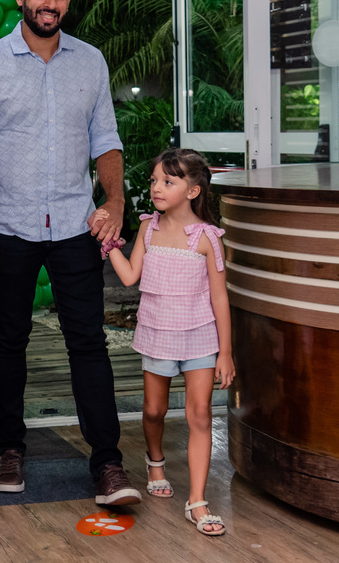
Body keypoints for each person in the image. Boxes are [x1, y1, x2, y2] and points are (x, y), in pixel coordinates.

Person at [0, 0, 141, 505]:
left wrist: (115, 202)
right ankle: (10, 448)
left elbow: (105, 140)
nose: (51, 3)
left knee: (88, 343)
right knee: (9, 341)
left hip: (73, 224)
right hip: (8, 225)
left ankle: (107, 463)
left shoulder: (90, 61)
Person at [104, 148, 235, 537]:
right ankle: (155, 461)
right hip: (158, 334)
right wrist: (110, 247)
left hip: (200, 337)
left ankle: (197, 501)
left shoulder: (208, 238)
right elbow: (130, 276)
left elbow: (220, 298)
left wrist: (225, 353)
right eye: (154, 181)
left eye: (167, 181)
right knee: (154, 410)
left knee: (200, 415)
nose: (156, 188)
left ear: (193, 191)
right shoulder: (149, 229)